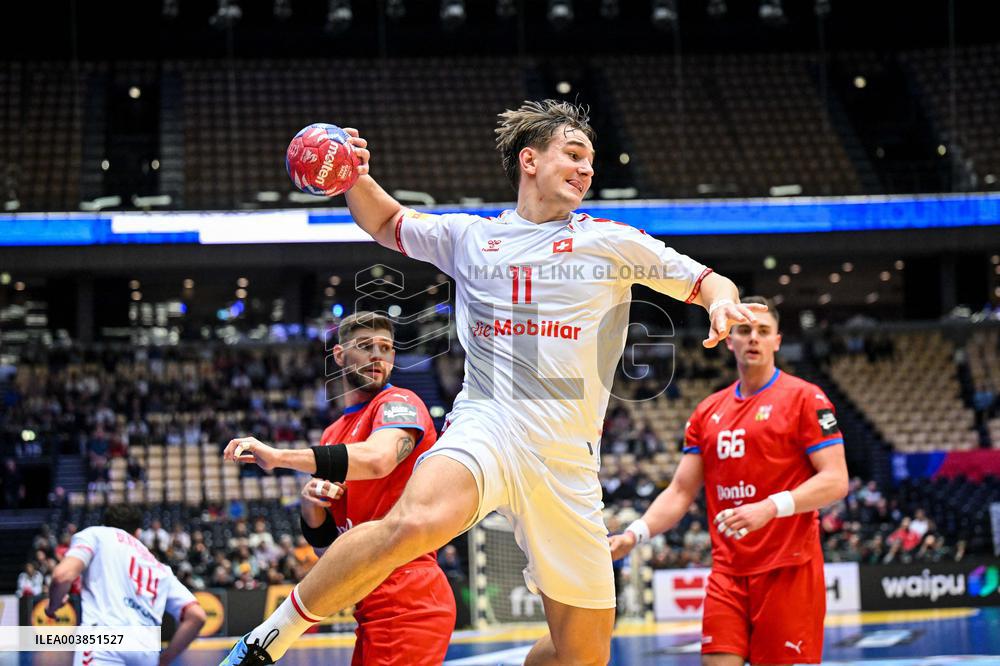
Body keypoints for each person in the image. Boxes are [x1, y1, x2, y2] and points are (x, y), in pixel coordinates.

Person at [221, 99, 761, 666]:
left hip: (566, 459)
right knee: (413, 523)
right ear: (530, 160)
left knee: (583, 655)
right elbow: (385, 221)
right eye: (573, 155)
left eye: (591, 161)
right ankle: (265, 642)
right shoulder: (471, 238)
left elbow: (705, 281)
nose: (586, 169)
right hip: (490, 423)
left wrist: (723, 305)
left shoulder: (611, 242)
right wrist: (355, 174)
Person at [610, 296, 849, 665]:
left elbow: (835, 480)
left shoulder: (805, 398)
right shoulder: (707, 412)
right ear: (729, 338)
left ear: (777, 341)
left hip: (788, 570)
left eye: (763, 331)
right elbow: (680, 491)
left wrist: (770, 507)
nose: (753, 337)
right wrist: (634, 534)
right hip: (728, 572)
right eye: (744, 330)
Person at [221, 311, 455, 665]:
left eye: (386, 348)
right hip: (366, 593)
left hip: (407, 589)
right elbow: (331, 553)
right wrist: (310, 510)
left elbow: (379, 459)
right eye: (365, 346)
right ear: (340, 356)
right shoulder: (333, 435)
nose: (378, 356)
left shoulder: (398, 403)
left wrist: (278, 456)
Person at [45, 504, 207, 666]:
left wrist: (53, 605)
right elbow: (197, 616)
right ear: (138, 532)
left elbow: (62, 576)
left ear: (105, 524)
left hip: (105, 639)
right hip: (146, 649)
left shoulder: (96, 534)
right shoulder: (160, 568)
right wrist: (164, 660)